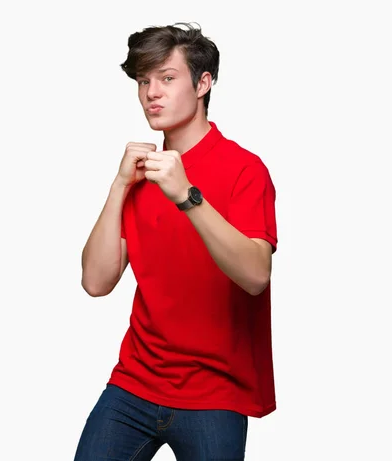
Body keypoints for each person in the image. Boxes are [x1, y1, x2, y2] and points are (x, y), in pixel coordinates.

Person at [74, 22, 278, 461]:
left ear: (204, 83)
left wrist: (187, 196)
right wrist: (119, 186)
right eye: (144, 81)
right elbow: (95, 281)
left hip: (215, 391)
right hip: (135, 383)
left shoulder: (245, 169)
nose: (152, 92)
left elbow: (256, 275)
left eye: (167, 78)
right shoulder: (139, 173)